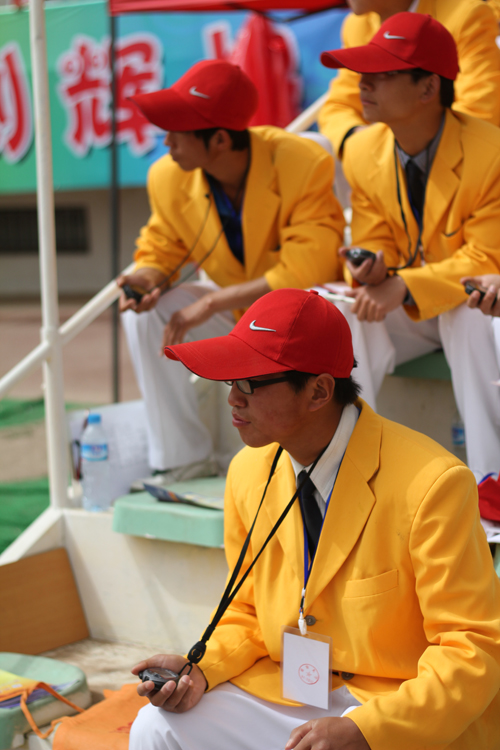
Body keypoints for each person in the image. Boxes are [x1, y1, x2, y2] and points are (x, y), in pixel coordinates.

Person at [128, 288, 500, 750]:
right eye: (230, 382)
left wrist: (369, 730)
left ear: (319, 391)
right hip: (293, 692)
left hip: (397, 706)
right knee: (155, 726)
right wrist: (201, 669)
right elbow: (246, 611)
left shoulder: (432, 483)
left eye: (250, 382)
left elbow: (473, 648)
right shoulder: (248, 471)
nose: (233, 399)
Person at [119, 59, 344, 486]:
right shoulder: (168, 175)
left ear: (220, 139)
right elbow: (162, 245)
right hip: (239, 318)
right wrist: (146, 279)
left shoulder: (302, 159)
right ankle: (181, 459)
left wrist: (210, 302)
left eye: (177, 130)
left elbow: (308, 267)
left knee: (330, 306)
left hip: (296, 324)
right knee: (147, 314)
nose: (166, 141)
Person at [319, 12, 500, 481]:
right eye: (363, 73)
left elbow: (486, 260)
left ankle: (491, 480)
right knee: (336, 312)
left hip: (476, 308)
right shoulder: (363, 149)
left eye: (382, 74)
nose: (363, 84)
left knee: (469, 311)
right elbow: (374, 231)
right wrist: (373, 268)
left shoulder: (491, 150)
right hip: (416, 307)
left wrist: (402, 285)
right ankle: (349, 472)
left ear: (428, 88)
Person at [318, 0, 500, 158]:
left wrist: (393, 146)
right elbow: (338, 106)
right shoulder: (357, 24)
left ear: (430, 86)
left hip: (457, 159)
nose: (364, 84)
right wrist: (363, 140)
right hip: (386, 159)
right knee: (320, 146)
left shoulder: (465, 14)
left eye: (389, 73)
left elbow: (480, 111)